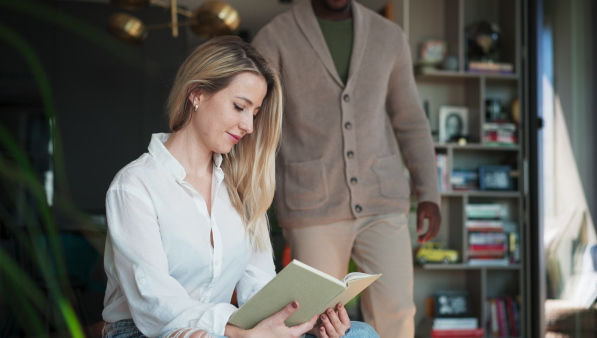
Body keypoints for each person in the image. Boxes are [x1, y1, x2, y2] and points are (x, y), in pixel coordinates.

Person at [101, 36, 379, 338]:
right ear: (197, 94)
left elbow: (259, 289)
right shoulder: (135, 186)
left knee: (357, 334)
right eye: (239, 107)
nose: (248, 125)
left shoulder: (240, 188)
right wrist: (236, 332)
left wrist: (303, 319)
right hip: (146, 331)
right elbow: (155, 304)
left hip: (229, 330)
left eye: (255, 114)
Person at [252, 1, 442, 337]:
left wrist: (429, 191)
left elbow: (410, 119)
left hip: (382, 198)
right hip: (312, 203)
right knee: (316, 319)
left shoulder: (388, 36)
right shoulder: (274, 37)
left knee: (396, 312)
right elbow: (256, 119)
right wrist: (247, 198)